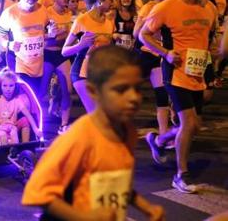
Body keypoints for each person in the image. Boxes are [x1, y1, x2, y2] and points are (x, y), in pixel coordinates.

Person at [22, 45, 164, 221]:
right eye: (121, 89)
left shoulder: (127, 132)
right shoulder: (79, 137)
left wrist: (147, 207)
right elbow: (38, 192)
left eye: (137, 88)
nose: (133, 97)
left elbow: (115, 182)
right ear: (93, 91)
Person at [140, 0, 218, 194]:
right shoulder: (166, 6)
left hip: (198, 72)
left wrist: (210, 73)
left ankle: (159, 140)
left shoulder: (210, 8)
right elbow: (144, 35)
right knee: (188, 123)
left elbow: (208, 42)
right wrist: (166, 53)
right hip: (175, 73)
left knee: (195, 126)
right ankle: (181, 175)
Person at [62, 0, 116, 113]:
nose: (114, 3)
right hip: (82, 72)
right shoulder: (82, 21)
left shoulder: (109, 22)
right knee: (96, 115)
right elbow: (64, 51)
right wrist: (81, 45)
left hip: (100, 74)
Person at [133, 0, 173, 145]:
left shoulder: (170, 7)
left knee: (162, 95)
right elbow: (136, 33)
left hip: (159, 56)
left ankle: (163, 135)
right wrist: (151, 31)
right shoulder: (148, 8)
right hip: (145, 55)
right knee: (127, 93)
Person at [0, 0, 51, 93]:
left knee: (37, 103)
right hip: (19, 66)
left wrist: (52, 33)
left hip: (39, 66)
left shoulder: (43, 10)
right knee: (23, 103)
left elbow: (47, 33)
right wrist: (9, 44)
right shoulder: (10, 13)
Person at [41, 0, 73, 133]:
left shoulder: (69, 14)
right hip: (47, 54)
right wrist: (57, 35)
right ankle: (38, 122)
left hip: (62, 54)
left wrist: (63, 35)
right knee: (41, 91)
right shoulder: (46, 13)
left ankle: (64, 124)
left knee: (68, 89)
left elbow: (71, 36)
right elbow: (42, 37)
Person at [0, 70, 40, 145]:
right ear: (0, 86)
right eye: (5, 86)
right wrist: (1, 121)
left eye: (11, 85)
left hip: (13, 127)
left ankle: (24, 146)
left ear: (15, 86)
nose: (8, 89)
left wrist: (36, 129)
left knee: (25, 120)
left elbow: (29, 116)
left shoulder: (17, 101)